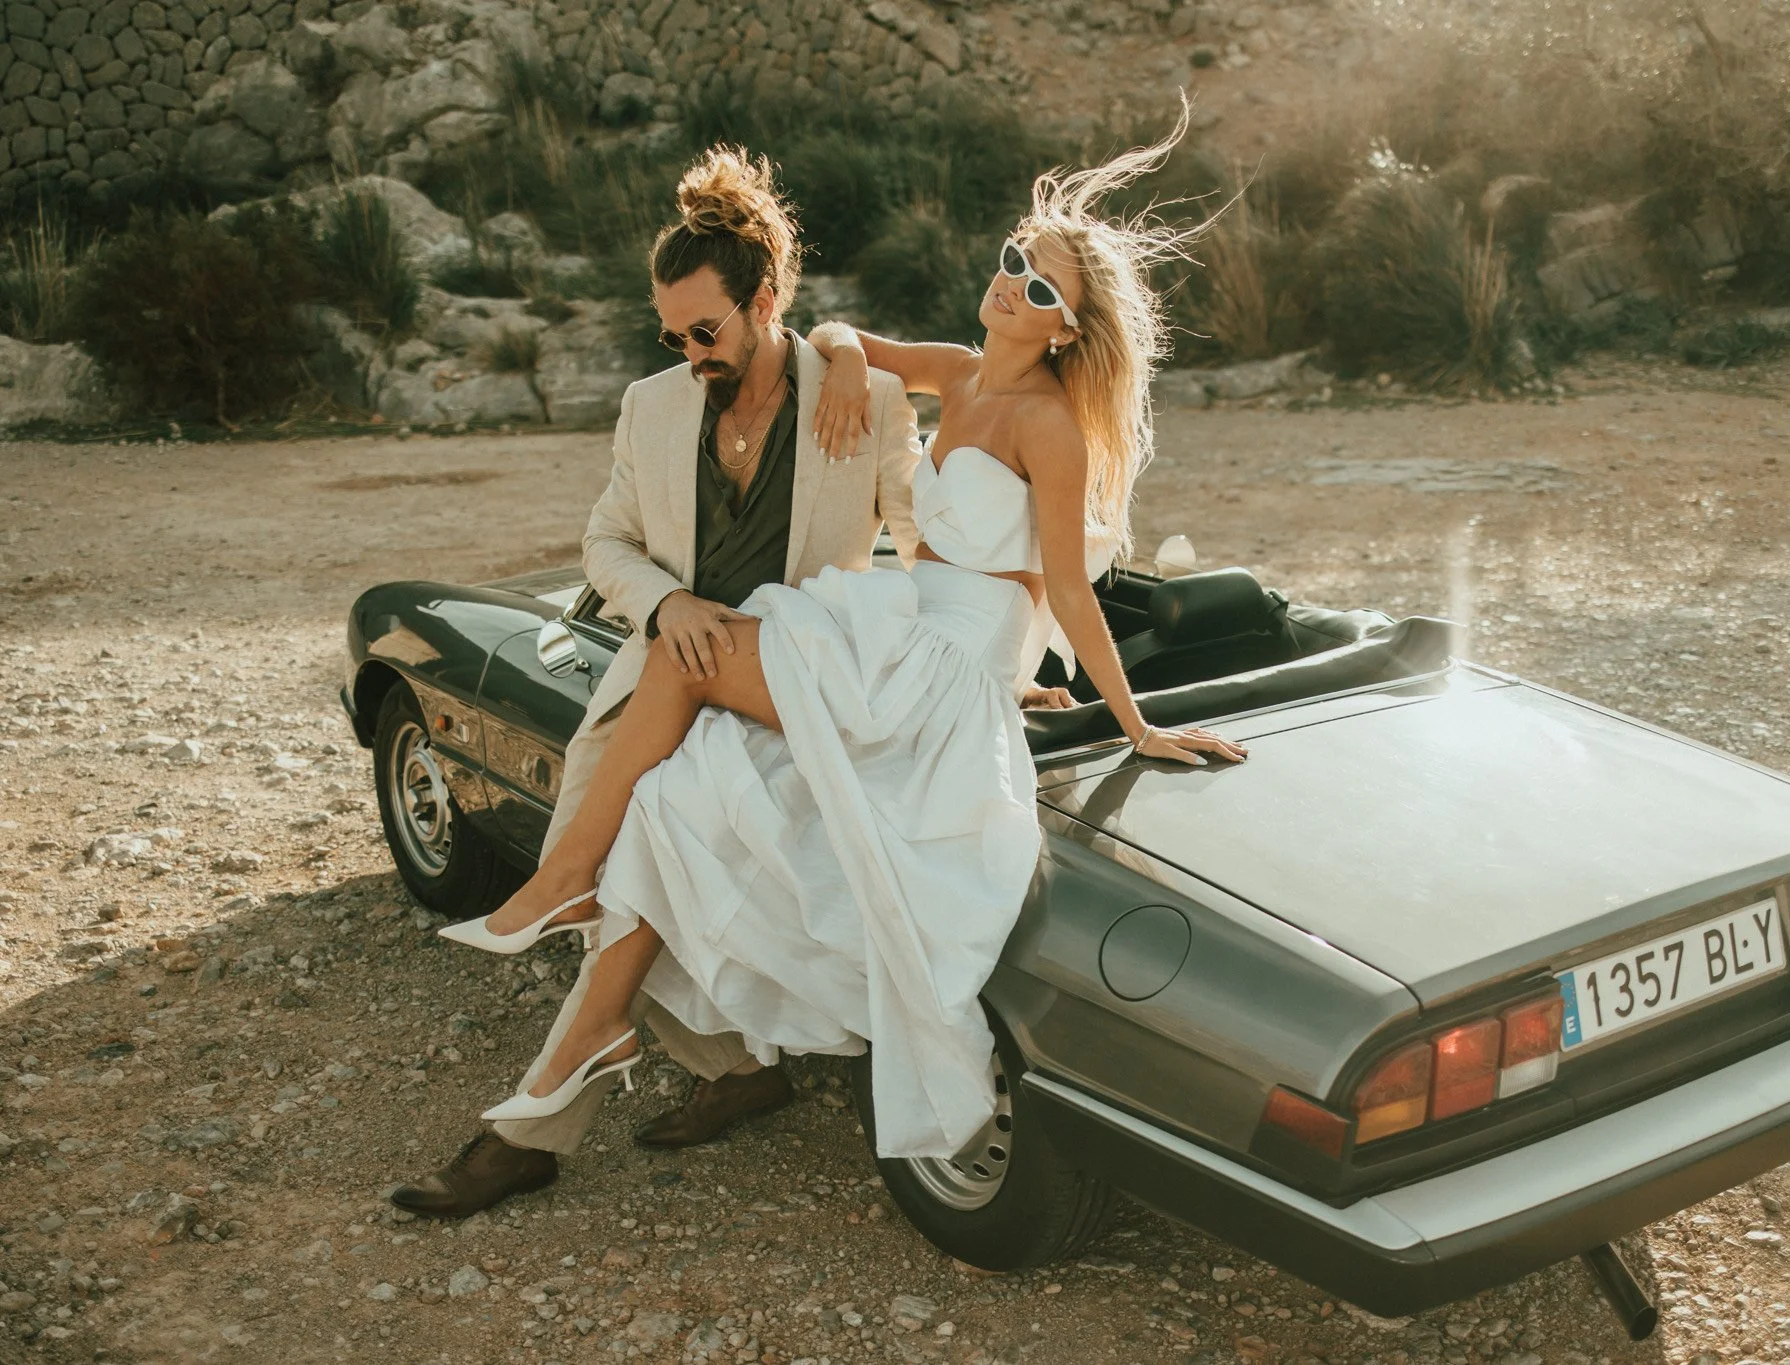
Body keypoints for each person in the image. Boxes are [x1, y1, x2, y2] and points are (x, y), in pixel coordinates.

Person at [438, 111, 1247, 1171]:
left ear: (1064, 329)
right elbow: (853, 347)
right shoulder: (958, 374)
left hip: (936, 666)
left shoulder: (1044, 423)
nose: (1012, 288)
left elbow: (1057, 581)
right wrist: (826, 347)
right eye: (1014, 263)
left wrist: (1123, 718)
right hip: (900, 628)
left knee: (693, 668)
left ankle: (561, 892)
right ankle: (646, 1022)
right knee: (682, 794)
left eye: (1040, 291)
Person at [390, 146, 928, 1217]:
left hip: (783, 697)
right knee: (597, 876)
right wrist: (665, 603)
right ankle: (738, 1068)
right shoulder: (653, 406)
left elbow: (924, 543)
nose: (688, 354)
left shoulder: (858, 404)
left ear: (764, 301)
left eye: (706, 332)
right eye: (670, 334)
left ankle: (533, 1126)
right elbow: (606, 543)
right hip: (662, 677)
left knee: (628, 862)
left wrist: (994, 660)